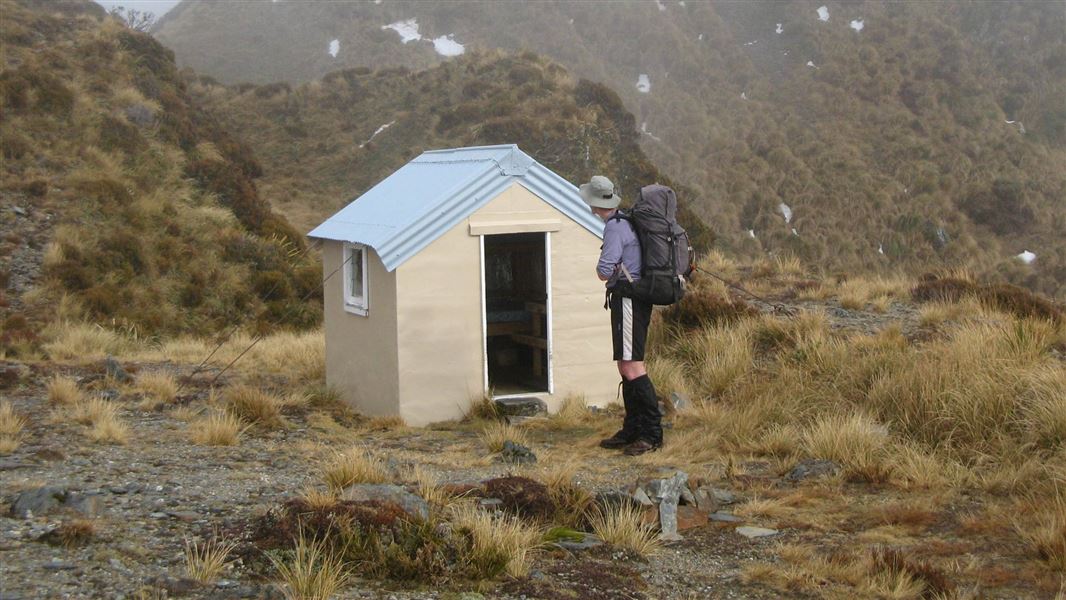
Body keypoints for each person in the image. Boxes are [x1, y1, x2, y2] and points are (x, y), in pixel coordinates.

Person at [579, 175, 662, 456]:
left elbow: (604, 269)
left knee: (632, 366)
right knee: (625, 365)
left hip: (629, 299)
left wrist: (605, 272)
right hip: (634, 298)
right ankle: (633, 429)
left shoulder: (614, 228)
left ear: (593, 203)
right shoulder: (625, 220)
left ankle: (651, 433)